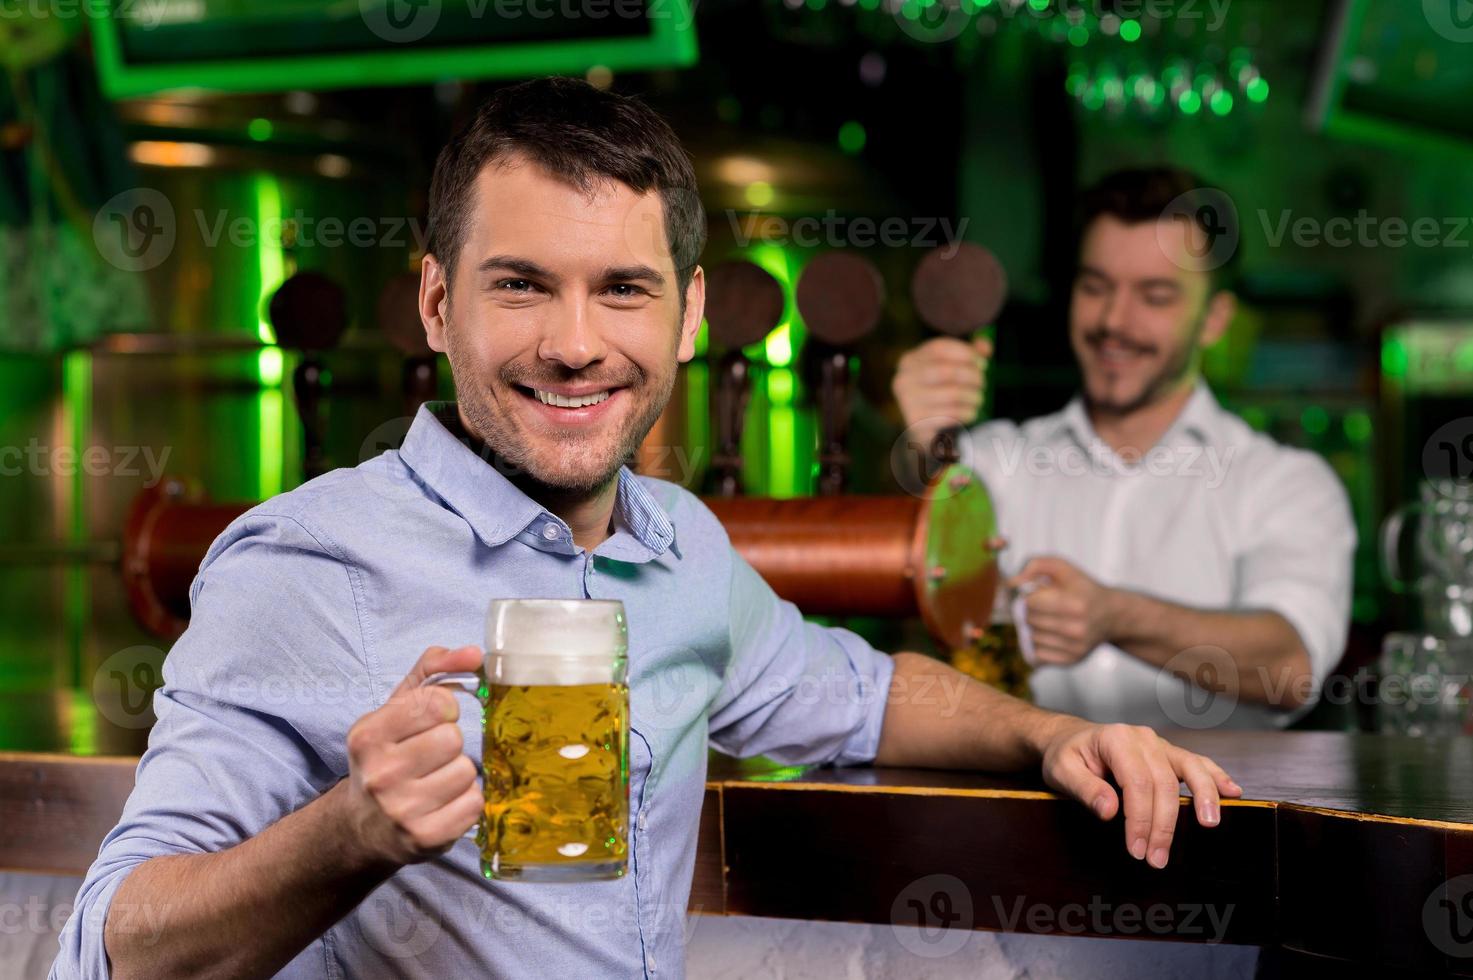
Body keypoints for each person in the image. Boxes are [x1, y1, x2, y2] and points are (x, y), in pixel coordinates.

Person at [54, 85, 1240, 980]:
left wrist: (1060, 735)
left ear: (691, 317)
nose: (577, 343)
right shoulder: (309, 560)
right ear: (434, 302)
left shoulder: (680, 547)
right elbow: (114, 948)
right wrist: (350, 832)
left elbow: (865, 695)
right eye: (520, 284)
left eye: (623, 288)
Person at [892, 167, 1356, 730]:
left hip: (1218, 814)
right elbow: (903, 589)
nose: (1114, 321)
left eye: (1154, 296)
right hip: (1019, 809)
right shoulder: (992, 462)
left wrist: (1114, 615)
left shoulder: (1283, 483)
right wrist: (920, 443)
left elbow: (1292, 665)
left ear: (1214, 319)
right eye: (1095, 287)